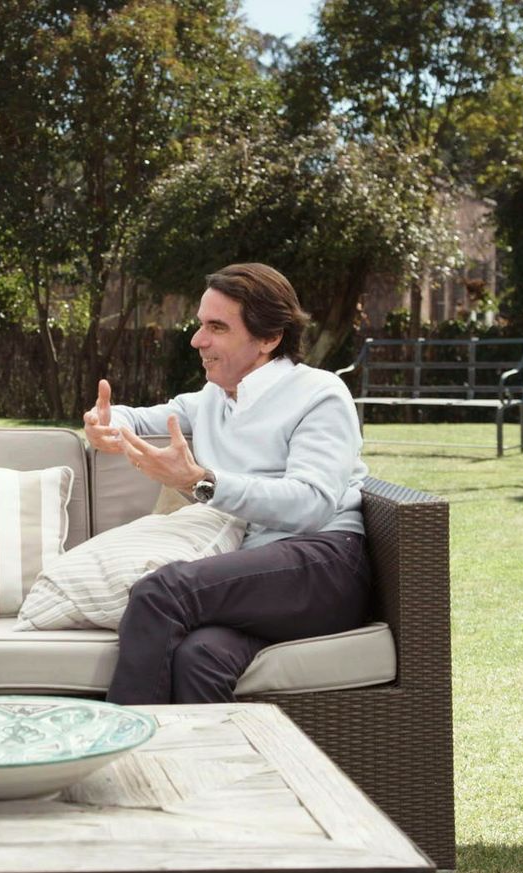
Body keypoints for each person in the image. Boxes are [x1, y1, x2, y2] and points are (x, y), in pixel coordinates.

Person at [85, 263, 371, 705]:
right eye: (201, 325)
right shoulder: (213, 399)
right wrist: (107, 423)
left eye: (217, 327)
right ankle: (201, 773)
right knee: (200, 657)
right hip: (259, 572)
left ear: (269, 338)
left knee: (160, 593)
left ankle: (123, 761)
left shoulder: (320, 394)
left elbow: (313, 503)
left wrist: (203, 482)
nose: (198, 340)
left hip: (324, 566)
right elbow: (137, 417)